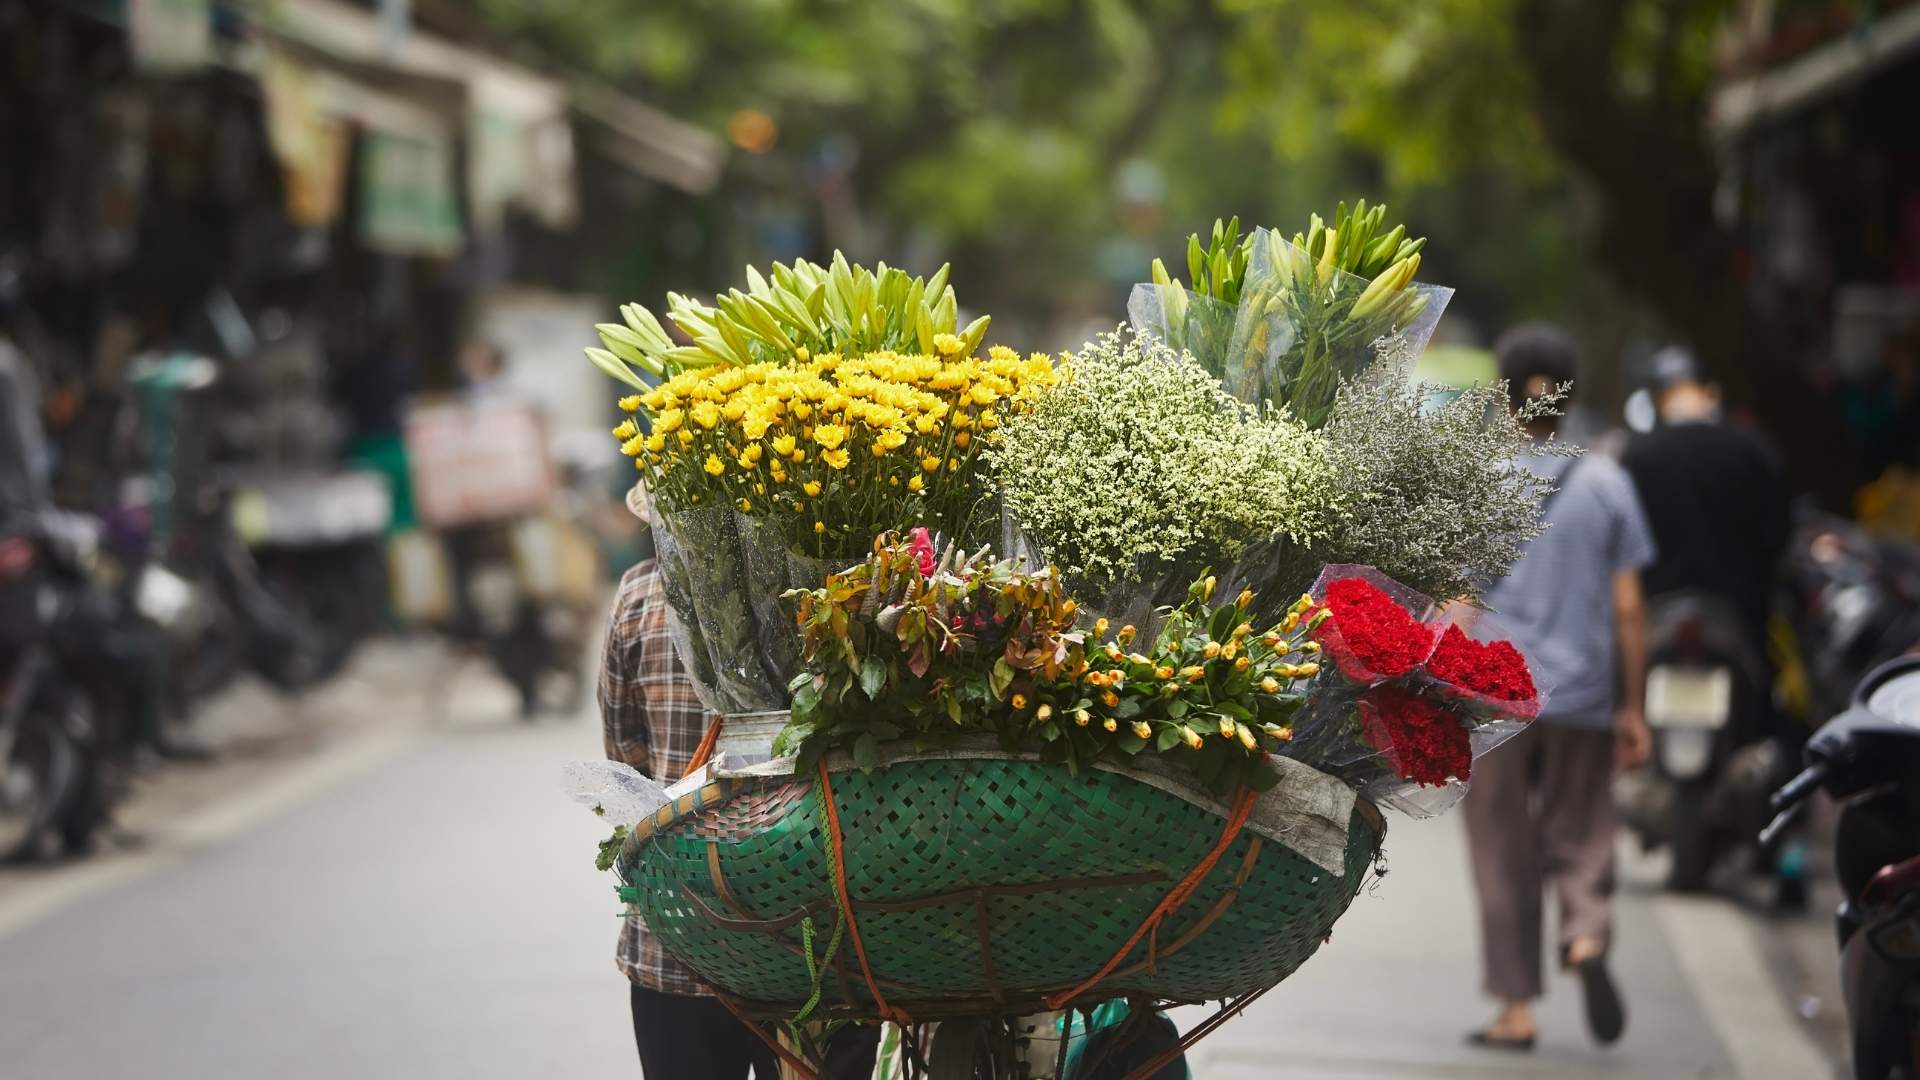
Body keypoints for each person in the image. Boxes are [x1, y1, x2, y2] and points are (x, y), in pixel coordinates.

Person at [600, 529, 881, 1077]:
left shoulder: (638, 596)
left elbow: (623, 765)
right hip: (811, 941)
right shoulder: (836, 592)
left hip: (678, 940)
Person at [1464, 323, 1656, 1053]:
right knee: (1584, 825)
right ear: (1571, 394)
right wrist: (1631, 705)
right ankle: (1584, 934)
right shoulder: (1607, 480)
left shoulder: (1481, 480)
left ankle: (1515, 1009)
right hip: (1582, 690)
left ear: (1504, 393)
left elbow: (1458, 596)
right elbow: (1631, 607)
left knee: (1499, 844)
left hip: (1493, 692)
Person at [1620, 346, 1789, 677]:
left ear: (1657, 401)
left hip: (1654, 615)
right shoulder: (1752, 450)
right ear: (1711, 393)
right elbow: (1778, 532)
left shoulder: (1636, 458)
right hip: (1739, 613)